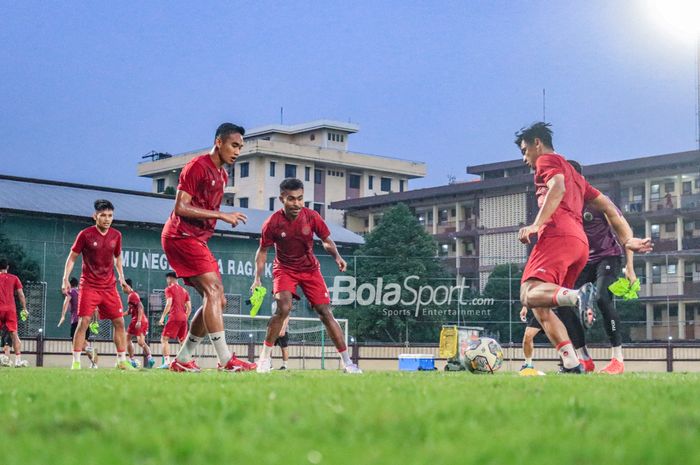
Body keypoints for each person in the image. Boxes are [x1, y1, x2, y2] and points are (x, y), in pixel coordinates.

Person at [516, 123, 652, 373]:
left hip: (558, 235)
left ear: (537, 143)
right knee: (543, 305)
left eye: (525, 151)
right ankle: (572, 362)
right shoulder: (578, 178)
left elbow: (557, 187)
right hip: (580, 246)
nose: (525, 159)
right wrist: (627, 240)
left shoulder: (547, 161)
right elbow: (610, 207)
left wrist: (537, 224)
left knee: (527, 292)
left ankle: (579, 297)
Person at [161, 122, 255, 372]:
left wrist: (217, 216)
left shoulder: (222, 175)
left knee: (218, 300)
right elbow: (180, 207)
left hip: (196, 239)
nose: (237, 151)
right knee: (213, 292)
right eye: (234, 145)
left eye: (240, 147)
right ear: (219, 142)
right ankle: (226, 360)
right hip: (180, 236)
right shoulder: (197, 167)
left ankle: (182, 360)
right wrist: (222, 216)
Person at [251, 178, 361, 374]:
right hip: (284, 269)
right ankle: (264, 360)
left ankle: (348, 363)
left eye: (300, 199)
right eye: (291, 199)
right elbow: (262, 252)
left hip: (310, 270)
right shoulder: (272, 223)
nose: (297, 204)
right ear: (282, 199)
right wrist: (257, 279)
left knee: (325, 313)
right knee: (283, 308)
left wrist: (337, 256)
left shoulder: (312, 217)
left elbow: (326, 241)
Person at [61, 199, 134, 370]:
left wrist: (121, 278)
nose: (107, 219)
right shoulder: (85, 234)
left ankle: (121, 360)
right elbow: (72, 257)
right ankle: (76, 362)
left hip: (109, 287)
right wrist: (65, 278)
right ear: (95, 216)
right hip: (89, 286)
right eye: (103, 215)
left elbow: (118, 258)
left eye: (110, 215)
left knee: (120, 322)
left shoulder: (117, 235)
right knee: (84, 322)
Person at [58, 277, 98, 368]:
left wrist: (63, 315)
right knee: (84, 343)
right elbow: (94, 308)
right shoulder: (81, 292)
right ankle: (94, 364)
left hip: (76, 321)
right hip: (85, 321)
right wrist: (94, 320)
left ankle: (77, 361)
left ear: (69, 285)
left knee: (76, 344)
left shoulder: (71, 292)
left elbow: (66, 301)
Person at [158, 272, 191, 368]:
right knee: (182, 341)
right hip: (183, 318)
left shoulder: (169, 289)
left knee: (164, 339)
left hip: (174, 317)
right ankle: (186, 361)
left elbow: (169, 303)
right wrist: (185, 318)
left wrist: (162, 317)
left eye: (167, 279)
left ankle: (167, 363)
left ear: (170, 279)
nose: (167, 281)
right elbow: (189, 308)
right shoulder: (185, 291)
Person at [0, 258, 29, 367]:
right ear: (7, 267)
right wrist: (24, 308)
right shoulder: (14, 278)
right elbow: (21, 295)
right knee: (14, 334)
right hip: (10, 309)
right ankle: (18, 361)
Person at [123, 278, 155, 368]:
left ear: (128, 286)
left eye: (123, 286)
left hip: (139, 320)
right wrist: (120, 315)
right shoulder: (131, 296)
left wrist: (139, 321)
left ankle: (149, 358)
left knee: (140, 342)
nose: (122, 289)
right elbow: (129, 311)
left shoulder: (133, 295)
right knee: (128, 338)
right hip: (135, 320)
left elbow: (141, 307)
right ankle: (133, 360)